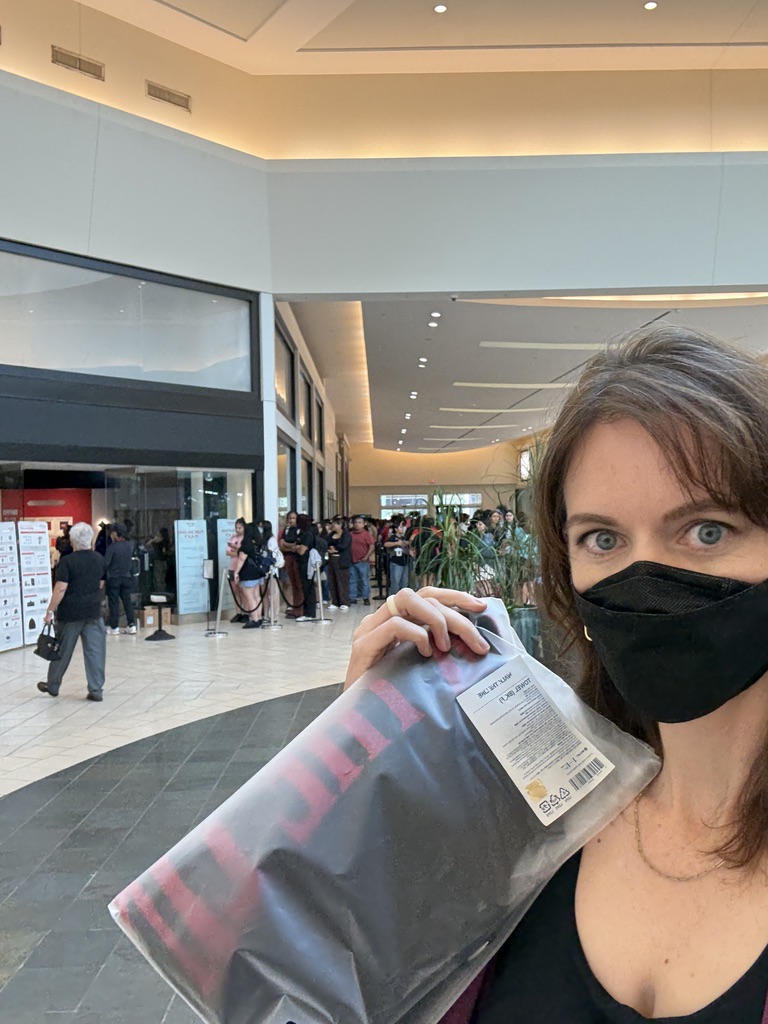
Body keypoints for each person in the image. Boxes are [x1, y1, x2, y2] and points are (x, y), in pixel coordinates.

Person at [343, 325, 768, 1022]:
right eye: (602, 538)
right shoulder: (522, 820)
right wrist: (362, 763)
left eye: (707, 530)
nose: (644, 577)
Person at [36, 521, 107, 701]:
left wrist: (50, 611)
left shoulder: (67, 562)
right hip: (93, 611)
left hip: (70, 613)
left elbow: (61, 588)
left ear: (73, 541)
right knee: (95, 651)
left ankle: (53, 685)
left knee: (63, 650)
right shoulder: (99, 559)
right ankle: (96, 689)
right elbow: (101, 583)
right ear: (90, 539)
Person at [104, 523, 137, 634]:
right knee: (127, 601)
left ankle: (114, 627)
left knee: (114, 603)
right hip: (127, 577)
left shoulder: (112, 547)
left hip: (114, 578)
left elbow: (106, 563)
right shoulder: (130, 545)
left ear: (115, 533)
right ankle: (131, 625)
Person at [234, 522, 266, 629]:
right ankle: (259, 618)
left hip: (248, 573)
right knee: (257, 596)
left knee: (249, 596)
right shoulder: (260, 543)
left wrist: (236, 572)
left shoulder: (246, 544)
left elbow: (241, 559)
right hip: (258, 572)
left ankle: (254, 619)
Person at [279, 511, 304, 618]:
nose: (291, 520)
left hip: (297, 559)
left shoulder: (300, 530)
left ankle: (299, 608)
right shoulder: (286, 530)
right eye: (290, 518)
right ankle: (291, 606)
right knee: (290, 583)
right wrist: (290, 547)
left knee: (298, 584)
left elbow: (297, 545)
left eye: (293, 518)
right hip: (287, 557)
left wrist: (287, 544)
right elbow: (281, 545)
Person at [258, 520, 284, 623]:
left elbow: (272, 556)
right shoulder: (261, 540)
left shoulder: (272, 540)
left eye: (261, 527)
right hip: (262, 570)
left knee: (273, 593)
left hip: (271, 570)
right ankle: (266, 615)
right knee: (264, 593)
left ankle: (274, 615)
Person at [293, 513, 317, 622]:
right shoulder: (302, 533)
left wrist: (297, 547)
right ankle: (307, 611)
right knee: (304, 587)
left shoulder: (308, 534)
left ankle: (310, 613)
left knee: (308, 588)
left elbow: (302, 551)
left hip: (306, 563)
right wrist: (297, 547)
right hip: (301, 563)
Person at [348, 515, 375, 605]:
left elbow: (371, 546)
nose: (357, 524)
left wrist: (366, 556)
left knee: (364, 580)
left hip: (363, 561)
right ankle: (352, 597)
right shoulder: (350, 534)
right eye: (355, 522)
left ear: (364, 524)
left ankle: (366, 598)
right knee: (352, 580)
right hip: (352, 561)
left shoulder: (366, 534)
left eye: (359, 523)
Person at [327, 516, 351, 610]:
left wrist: (335, 549)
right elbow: (327, 543)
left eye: (335, 524)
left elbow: (344, 545)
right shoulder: (331, 534)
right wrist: (330, 549)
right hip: (331, 559)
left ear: (340, 525)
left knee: (342, 582)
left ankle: (344, 602)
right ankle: (335, 602)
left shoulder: (346, 535)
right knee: (332, 580)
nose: (333, 526)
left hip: (341, 560)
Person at [383, 518, 413, 595]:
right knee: (395, 582)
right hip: (396, 562)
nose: (403, 529)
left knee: (404, 582)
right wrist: (397, 543)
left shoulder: (404, 538)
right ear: (396, 529)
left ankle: (403, 597)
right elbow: (386, 544)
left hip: (405, 562)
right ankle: (394, 597)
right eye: (401, 527)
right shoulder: (393, 537)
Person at [226, 517, 247, 622]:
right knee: (235, 592)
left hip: (242, 567)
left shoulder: (246, 539)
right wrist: (237, 552)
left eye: (239, 528)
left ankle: (245, 612)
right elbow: (228, 552)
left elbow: (244, 553)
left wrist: (236, 551)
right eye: (236, 528)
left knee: (244, 592)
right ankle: (238, 612)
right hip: (232, 567)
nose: (237, 530)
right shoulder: (233, 538)